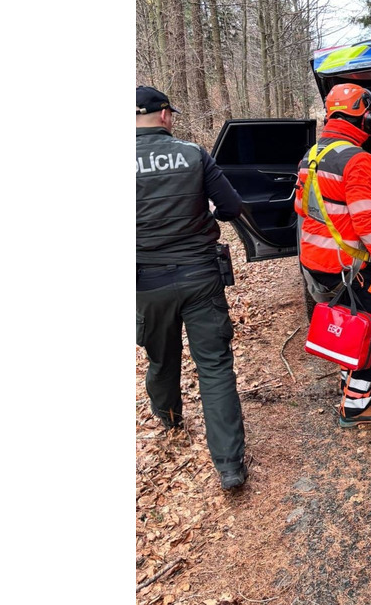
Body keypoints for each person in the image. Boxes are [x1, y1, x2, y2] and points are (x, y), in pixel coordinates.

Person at [135, 85, 250, 491]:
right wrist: (209, 213)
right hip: (201, 275)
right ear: (164, 115)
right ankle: (230, 466)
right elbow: (232, 207)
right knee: (215, 366)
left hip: (145, 281)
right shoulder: (193, 154)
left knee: (161, 357)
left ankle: (169, 420)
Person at [295, 83, 371, 428]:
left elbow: (302, 206)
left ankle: (349, 380)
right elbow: (367, 221)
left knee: (352, 322)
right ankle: (355, 403)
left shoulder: (312, 154)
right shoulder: (358, 159)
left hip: (317, 260)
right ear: (365, 117)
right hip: (348, 263)